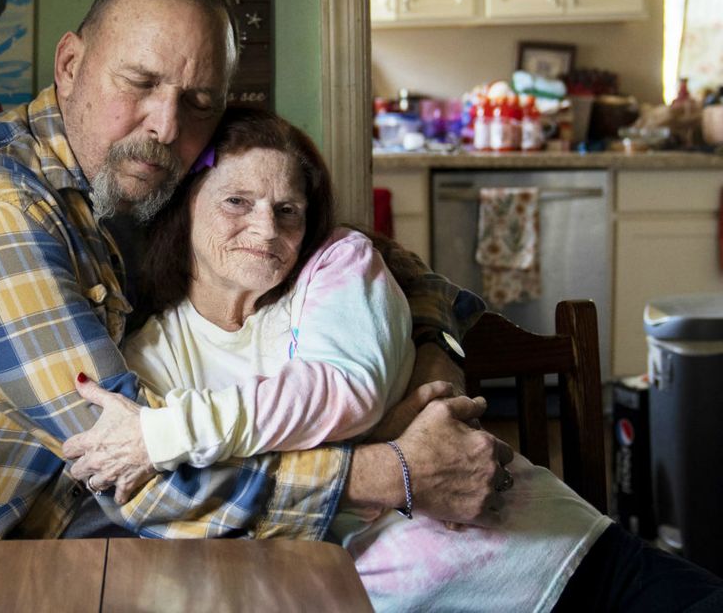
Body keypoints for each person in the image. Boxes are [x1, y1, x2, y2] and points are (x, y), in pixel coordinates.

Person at [0, 0, 505, 543]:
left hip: (84, 526)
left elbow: (357, 255)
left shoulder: (151, 176)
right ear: (70, 65)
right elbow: (131, 467)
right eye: (141, 82)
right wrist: (392, 470)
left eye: (199, 100)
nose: (165, 125)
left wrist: (431, 371)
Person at [65, 108, 723, 611]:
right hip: (393, 597)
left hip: (556, 563)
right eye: (237, 201)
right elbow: (188, 511)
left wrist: (172, 435)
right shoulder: (148, 356)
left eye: (288, 210)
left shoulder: (336, 265)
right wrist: (392, 431)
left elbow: (342, 390)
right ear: (184, 207)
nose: (267, 230)